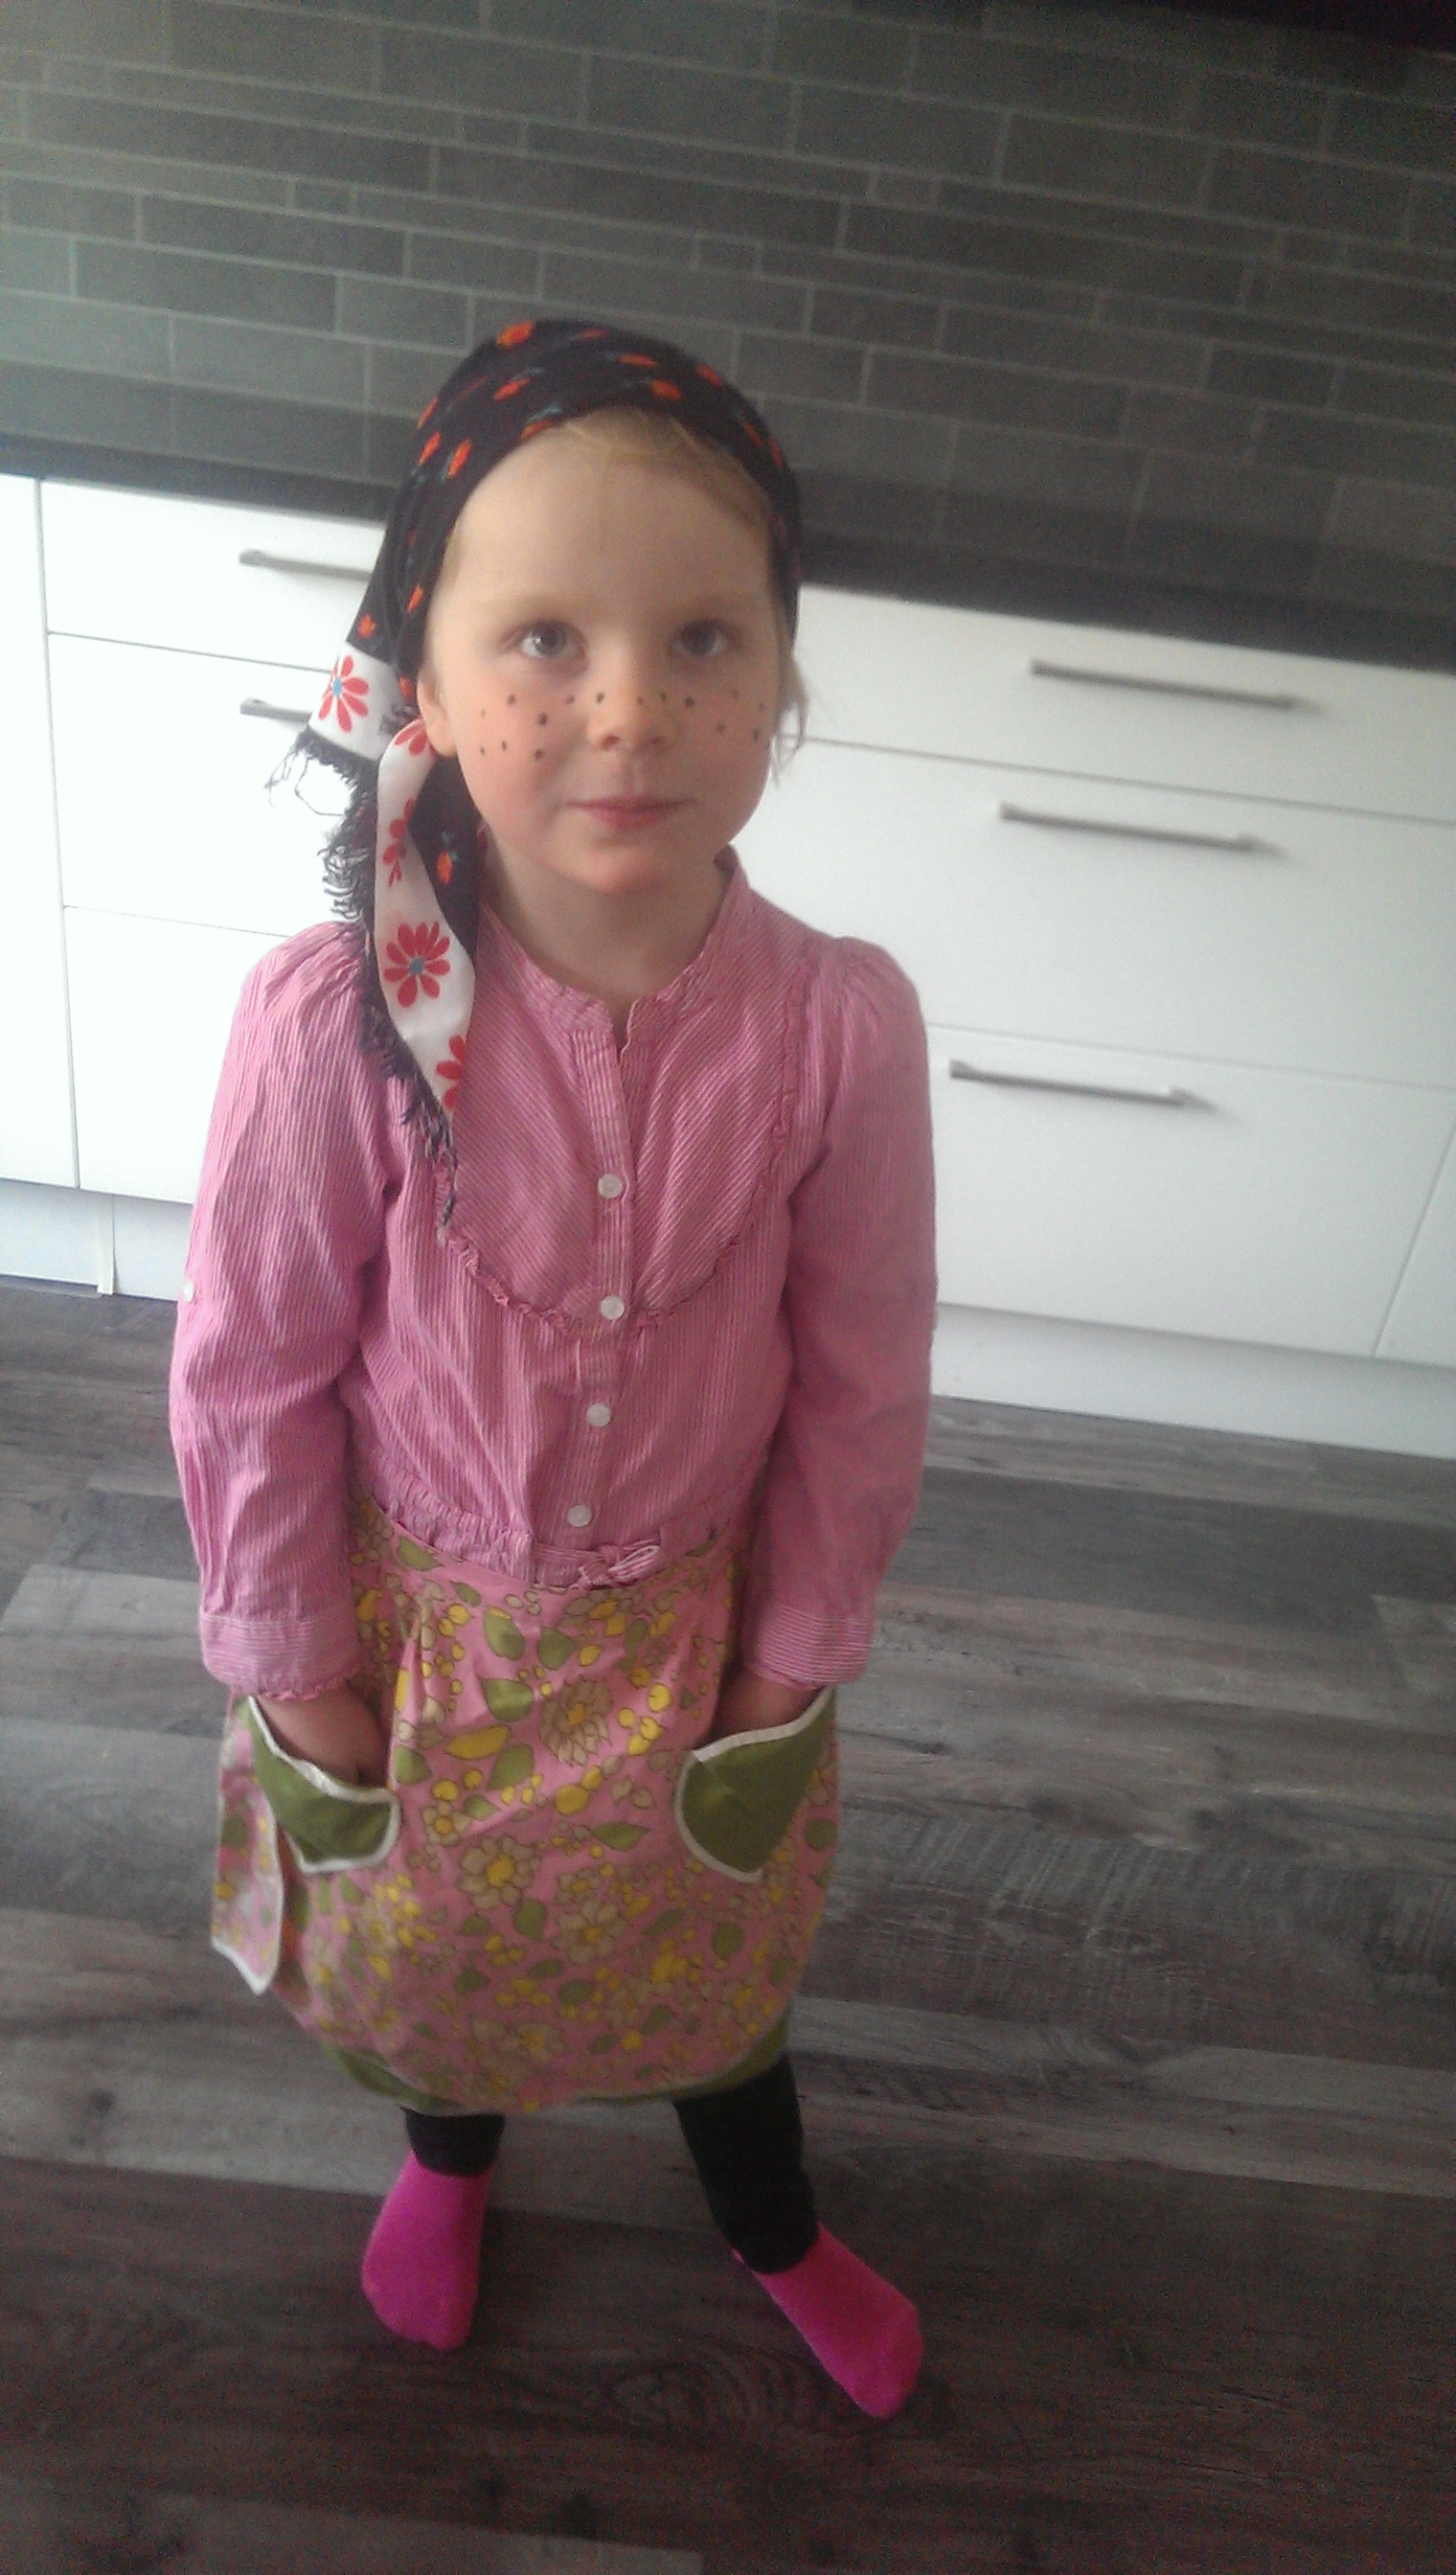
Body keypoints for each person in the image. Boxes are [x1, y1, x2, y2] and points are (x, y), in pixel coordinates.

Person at [170, 318, 937, 2419]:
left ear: (783, 671)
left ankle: (770, 2222)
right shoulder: (330, 1018)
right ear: (416, 677)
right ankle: (450, 2162)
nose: (626, 709)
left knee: (714, 1977)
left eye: (702, 638)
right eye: (541, 640)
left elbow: (862, 1378)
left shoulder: (840, 1029)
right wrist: (301, 1675)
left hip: (694, 1650)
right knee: (442, 1962)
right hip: (419, 1646)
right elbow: (250, 1374)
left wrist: (789, 1663)